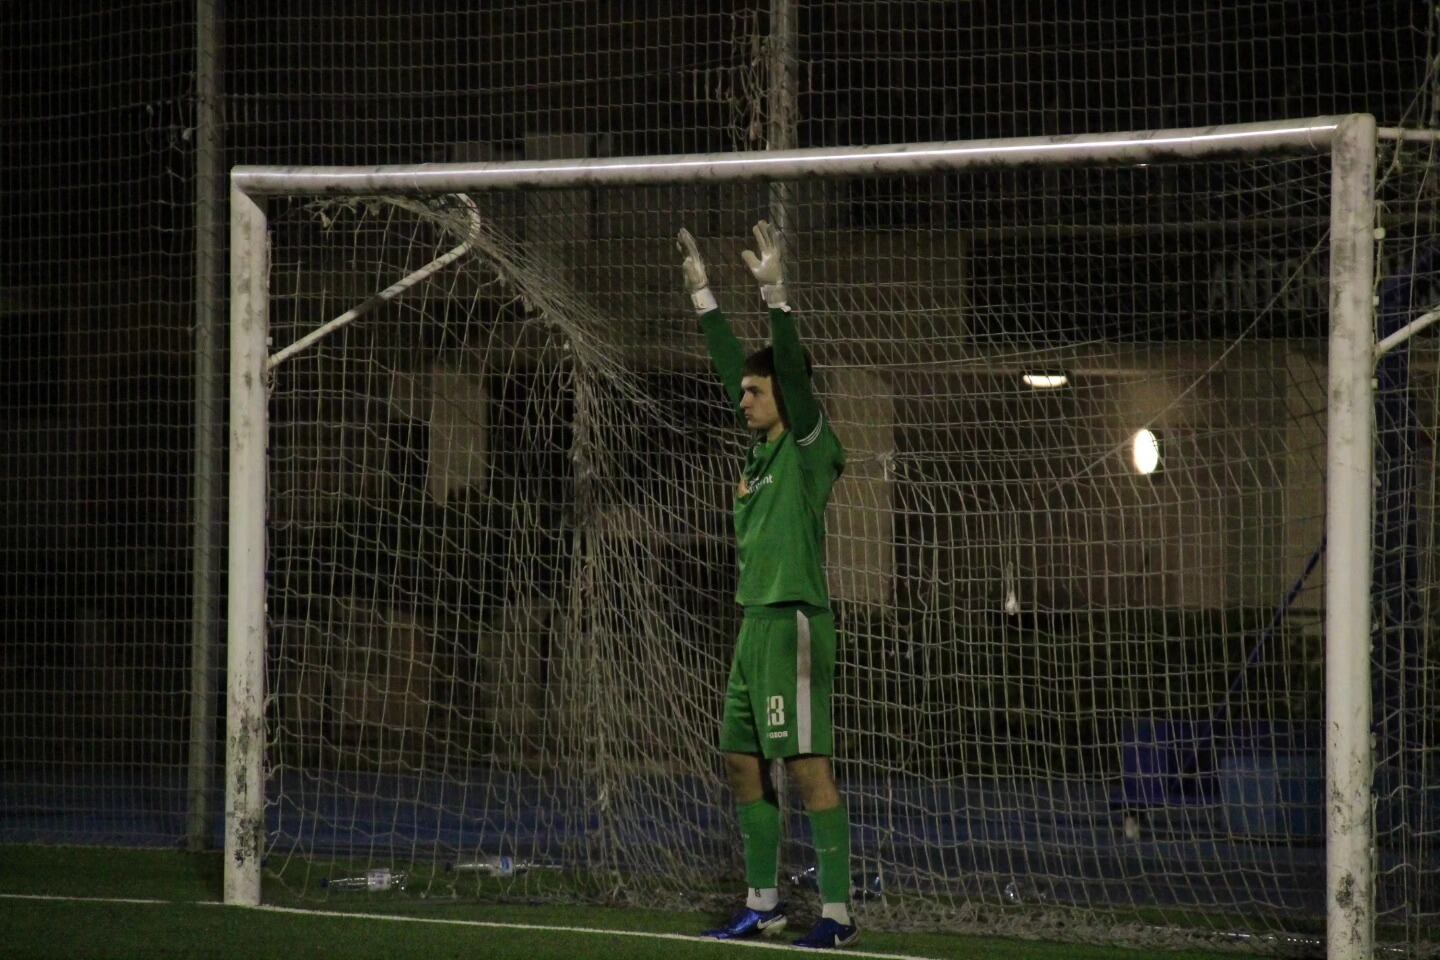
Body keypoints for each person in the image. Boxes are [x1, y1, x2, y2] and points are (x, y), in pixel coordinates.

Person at [677, 221, 858, 950]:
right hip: (752, 626)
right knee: (740, 761)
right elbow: (734, 367)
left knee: (809, 767)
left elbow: (786, 373)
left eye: (757, 392)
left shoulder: (810, 449)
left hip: (794, 624)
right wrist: (703, 298)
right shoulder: (756, 452)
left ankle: (839, 917)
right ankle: (764, 901)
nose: (742, 400)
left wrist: (776, 298)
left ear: (786, 394)